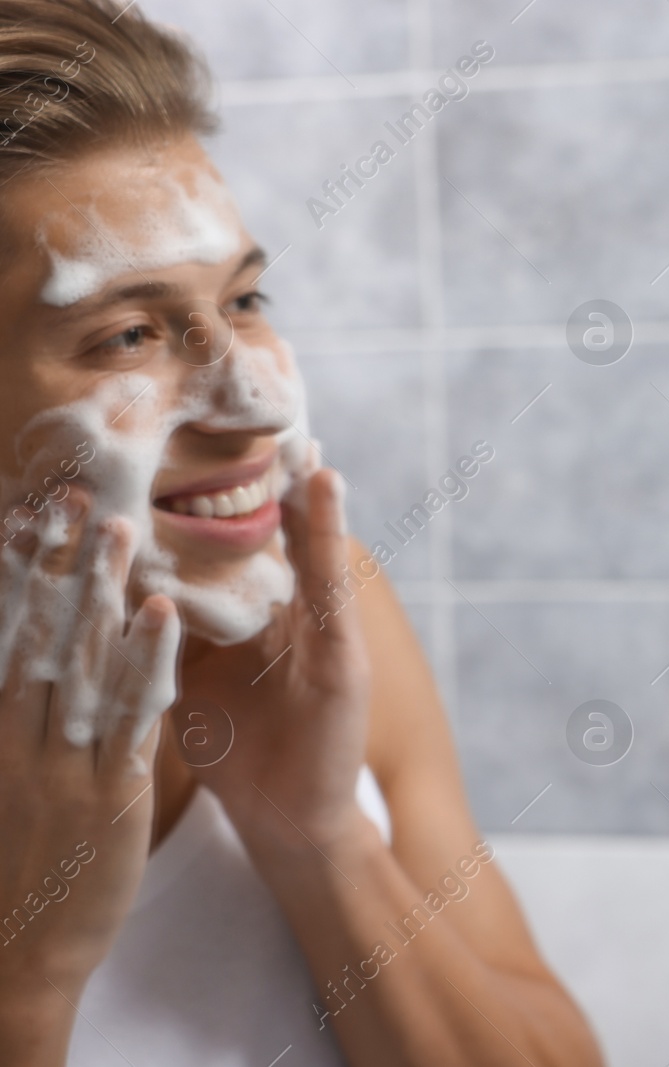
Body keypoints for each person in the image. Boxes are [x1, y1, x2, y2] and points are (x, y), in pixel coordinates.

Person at [0, 3, 601, 1065]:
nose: (256, 399)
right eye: (128, 333)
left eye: (244, 298)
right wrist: (29, 973)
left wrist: (320, 842)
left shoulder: (310, 616)